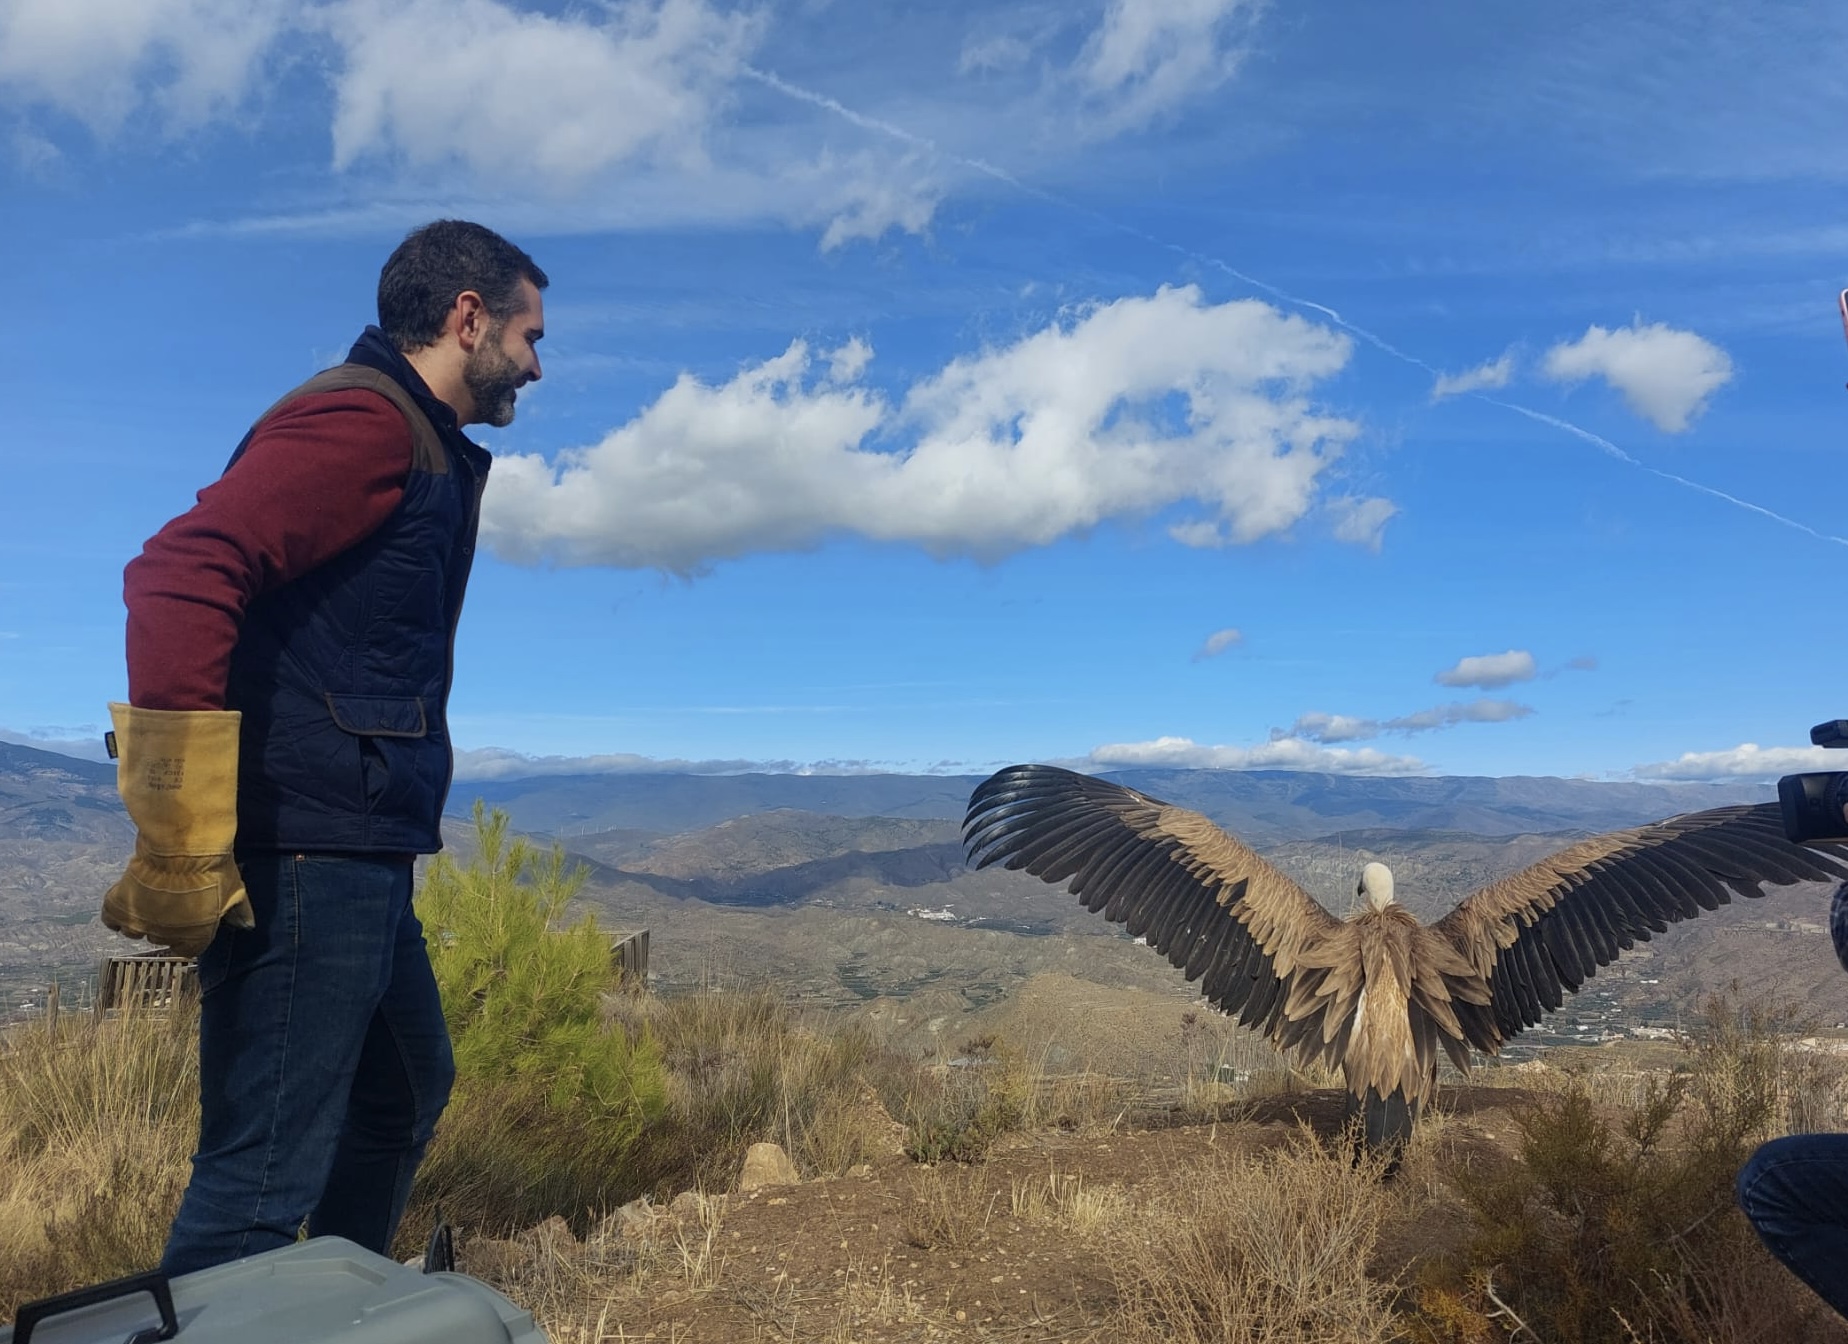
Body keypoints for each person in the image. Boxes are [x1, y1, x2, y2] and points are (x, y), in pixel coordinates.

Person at [106, 219, 546, 1275]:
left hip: (357, 846)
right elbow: (179, 572)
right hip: (304, 851)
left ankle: (329, 1306)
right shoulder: (365, 423)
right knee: (260, 1177)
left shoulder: (414, 440)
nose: (537, 363)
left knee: (403, 1091)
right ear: (467, 317)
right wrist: (182, 827)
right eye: (530, 336)